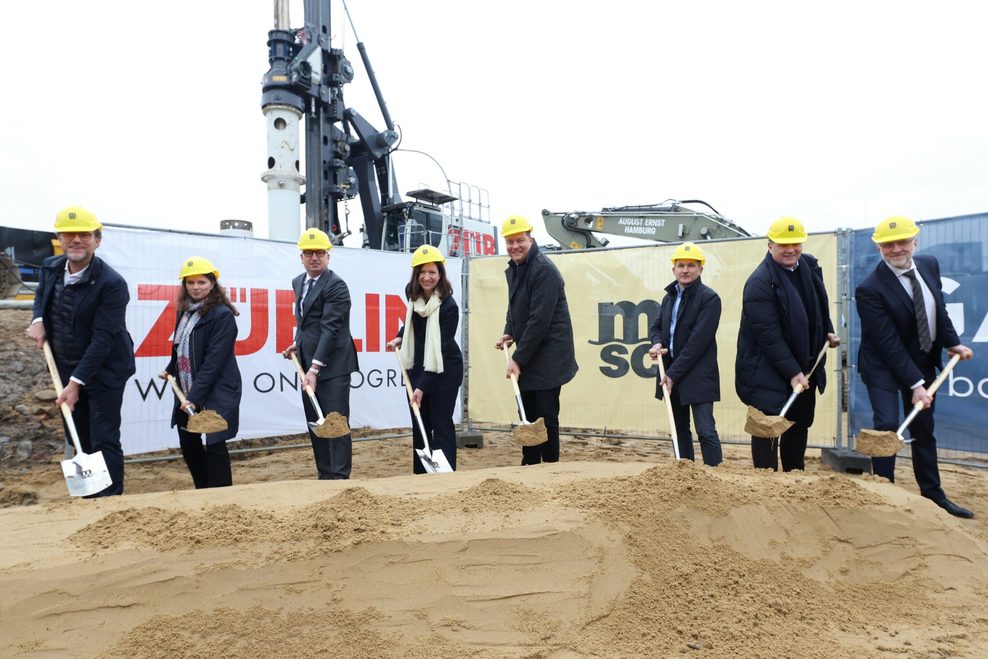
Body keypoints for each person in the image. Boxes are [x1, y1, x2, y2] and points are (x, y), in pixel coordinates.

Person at [856, 216, 975, 518]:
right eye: (888, 245)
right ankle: (885, 495)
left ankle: (933, 496)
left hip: (921, 359)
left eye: (902, 242)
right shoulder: (870, 288)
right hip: (883, 365)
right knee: (888, 427)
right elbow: (887, 343)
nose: (896, 249)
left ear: (914, 242)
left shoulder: (929, 264)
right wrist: (915, 385)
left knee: (924, 430)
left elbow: (938, 310)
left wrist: (953, 342)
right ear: (879, 248)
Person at [26, 206, 135, 496]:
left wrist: (76, 383)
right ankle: (89, 495)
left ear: (97, 241)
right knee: (79, 437)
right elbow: (41, 296)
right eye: (69, 234)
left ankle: (110, 502)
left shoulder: (112, 285)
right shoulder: (50, 267)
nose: (76, 240)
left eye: (84, 235)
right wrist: (38, 320)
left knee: (104, 438)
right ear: (59, 238)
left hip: (105, 370)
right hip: (64, 365)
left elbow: (103, 340)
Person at [735, 217, 839, 471]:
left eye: (796, 243)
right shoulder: (759, 283)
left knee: (797, 423)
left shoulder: (810, 266)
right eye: (783, 244)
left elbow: (818, 307)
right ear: (770, 245)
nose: (791, 249)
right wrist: (793, 373)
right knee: (768, 427)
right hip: (766, 369)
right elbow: (768, 335)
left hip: (805, 365)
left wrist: (828, 330)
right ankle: (766, 485)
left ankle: (794, 478)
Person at [495, 215, 578, 465]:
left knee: (545, 416)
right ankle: (530, 464)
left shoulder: (544, 269)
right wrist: (509, 331)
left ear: (531, 239)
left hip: (550, 355)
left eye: (520, 240)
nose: (515, 246)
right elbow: (515, 307)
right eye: (510, 242)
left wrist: (517, 360)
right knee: (527, 414)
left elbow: (539, 320)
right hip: (530, 352)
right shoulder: (516, 268)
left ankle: (550, 467)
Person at [282, 228, 359, 480]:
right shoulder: (298, 282)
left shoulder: (336, 286)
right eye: (308, 253)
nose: (314, 257)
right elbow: (307, 323)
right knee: (316, 422)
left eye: (319, 253)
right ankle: (325, 477)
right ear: (301, 257)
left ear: (329, 256)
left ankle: (339, 480)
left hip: (333, 367)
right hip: (306, 363)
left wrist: (314, 369)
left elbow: (330, 329)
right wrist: (298, 343)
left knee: (335, 424)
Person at [159, 257, 242, 489]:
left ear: (213, 283)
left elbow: (214, 361)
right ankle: (203, 491)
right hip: (187, 387)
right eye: (191, 282)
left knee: (215, 443)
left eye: (202, 282)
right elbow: (179, 346)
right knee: (188, 442)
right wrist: (170, 368)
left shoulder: (222, 315)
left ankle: (221, 498)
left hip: (216, 389)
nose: (196, 287)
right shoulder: (184, 311)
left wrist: (193, 396)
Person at [386, 245, 464, 473]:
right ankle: (421, 476)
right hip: (417, 369)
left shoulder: (449, 306)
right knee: (420, 426)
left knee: (440, 425)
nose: (427, 277)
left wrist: (421, 387)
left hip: (444, 372)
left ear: (440, 274)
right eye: (422, 272)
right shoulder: (413, 298)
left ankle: (444, 475)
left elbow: (439, 347)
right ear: (416, 274)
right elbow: (411, 323)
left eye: (432, 272)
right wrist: (400, 337)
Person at [648, 242, 723, 466]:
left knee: (705, 430)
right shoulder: (668, 297)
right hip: (671, 372)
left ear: (701, 269)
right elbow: (656, 327)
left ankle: (715, 477)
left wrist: (673, 375)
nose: (685, 270)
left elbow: (697, 343)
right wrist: (656, 343)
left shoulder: (710, 299)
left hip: (698, 375)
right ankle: (685, 478)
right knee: (679, 429)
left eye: (691, 265)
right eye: (680, 265)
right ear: (674, 269)